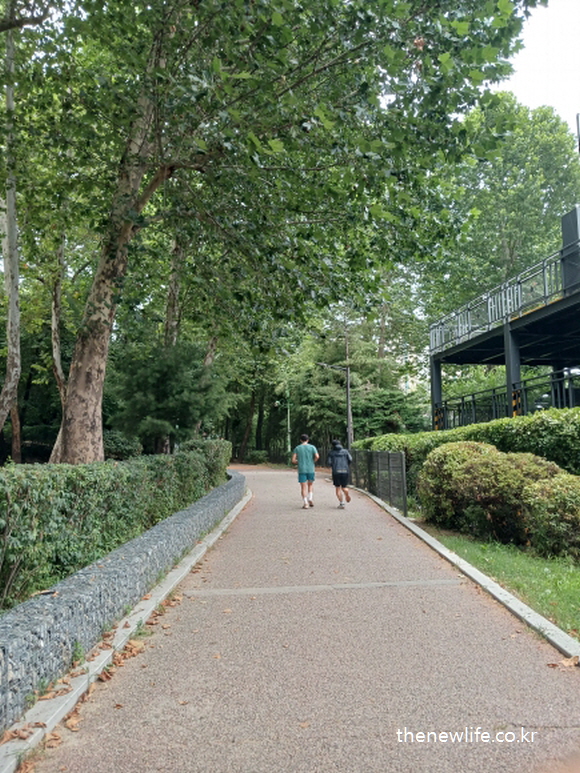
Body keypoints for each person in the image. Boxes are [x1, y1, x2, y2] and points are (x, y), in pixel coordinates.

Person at [291, 433, 319, 509]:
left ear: (300, 440)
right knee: (310, 484)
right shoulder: (312, 447)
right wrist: (313, 461)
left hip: (301, 469)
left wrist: (298, 462)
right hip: (311, 468)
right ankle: (310, 498)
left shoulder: (297, 448)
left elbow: (293, 460)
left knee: (303, 486)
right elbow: (317, 456)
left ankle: (305, 503)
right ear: (308, 440)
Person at [326, 439, 353, 508]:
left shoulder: (331, 453)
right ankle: (346, 493)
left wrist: (333, 466)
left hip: (336, 471)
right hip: (345, 471)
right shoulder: (345, 452)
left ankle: (341, 503)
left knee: (337, 488)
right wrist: (346, 465)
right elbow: (350, 459)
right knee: (344, 487)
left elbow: (329, 463)